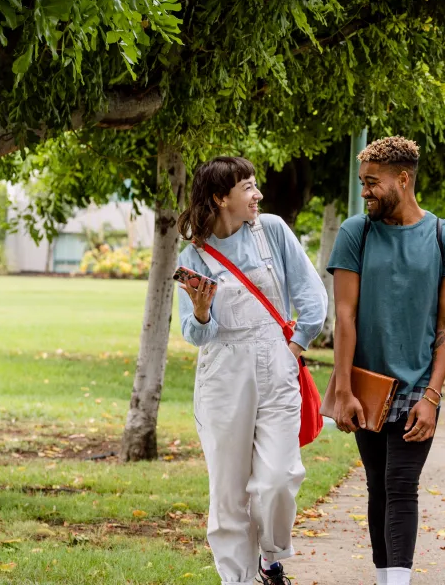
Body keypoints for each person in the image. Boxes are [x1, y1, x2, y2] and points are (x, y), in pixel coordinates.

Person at [174, 156, 327, 585]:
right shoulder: (194, 255)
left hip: (278, 365)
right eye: (247, 187)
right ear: (222, 198)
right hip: (223, 375)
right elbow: (194, 333)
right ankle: (236, 579)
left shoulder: (272, 231)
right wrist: (203, 313)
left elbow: (311, 295)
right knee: (228, 492)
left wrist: (294, 348)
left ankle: (270, 554)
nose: (257, 194)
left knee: (279, 478)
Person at [326, 136, 445, 585]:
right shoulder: (357, 232)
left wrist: (432, 394)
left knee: (401, 486)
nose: (365, 191)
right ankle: (384, 576)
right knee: (377, 487)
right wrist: (344, 390)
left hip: (416, 388)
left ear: (403, 179)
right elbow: (345, 315)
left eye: (372, 182)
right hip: (367, 387)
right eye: (362, 182)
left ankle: (397, 581)